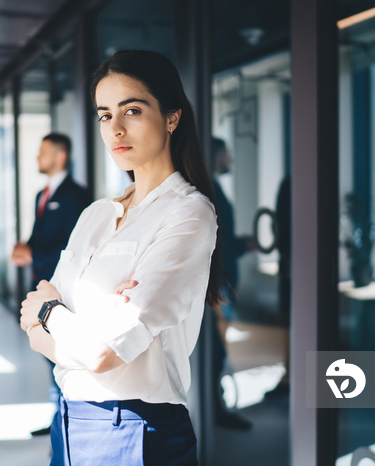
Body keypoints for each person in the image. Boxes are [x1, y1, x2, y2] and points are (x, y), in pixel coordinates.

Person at [20, 50, 221, 465]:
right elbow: (33, 327)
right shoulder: (95, 214)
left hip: (135, 428)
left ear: (172, 117)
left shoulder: (188, 212)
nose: (116, 128)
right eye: (105, 114)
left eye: (132, 109)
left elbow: (99, 351)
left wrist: (50, 311)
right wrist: (68, 318)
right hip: (71, 422)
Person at [10, 133, 91, 435]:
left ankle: (69, 421)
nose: (37, 157)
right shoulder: (41, 195)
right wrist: (25, 248)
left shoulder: (75, 195)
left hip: (64, 291)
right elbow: (41, 239)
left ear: (60, 156)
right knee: (50, 358)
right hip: (42, 285)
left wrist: (34, 253)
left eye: (43, 152)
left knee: (65, 356)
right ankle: (59, 419)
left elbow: (75, 246)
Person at [210, 137, 256, 430]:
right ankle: (216, 409)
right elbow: (219, 242)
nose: (230, 160)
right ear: (216, 156)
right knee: (217, 351)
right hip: (220, 281)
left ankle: (216, 406)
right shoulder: (210, 189)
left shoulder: (213, 186)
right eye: (226, 155)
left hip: (222, 280)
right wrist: (243, 245)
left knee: (219, 350)